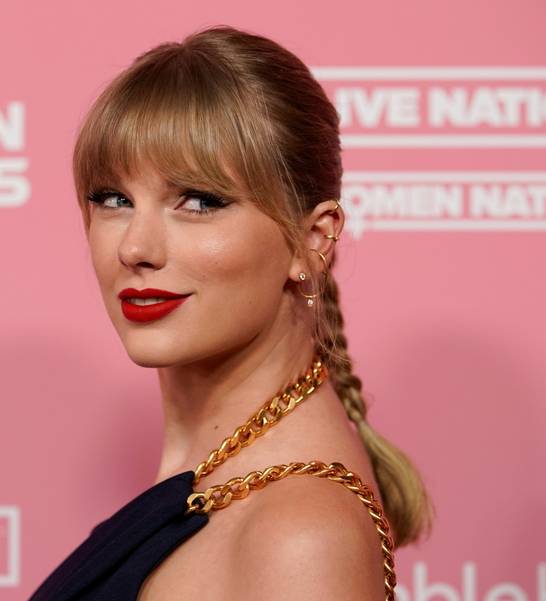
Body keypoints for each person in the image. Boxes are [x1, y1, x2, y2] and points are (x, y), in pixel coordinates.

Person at [29, 24, 434, 601]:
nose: (135, 248)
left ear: (311, 240)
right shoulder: (219, 479)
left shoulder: (298, 538)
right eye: (113, 199)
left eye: (199, 202)